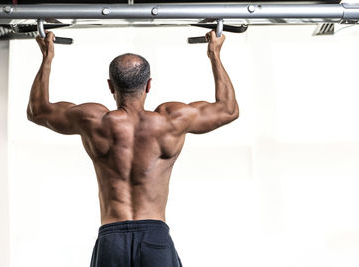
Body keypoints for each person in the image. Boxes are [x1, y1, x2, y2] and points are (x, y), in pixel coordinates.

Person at [27, 30, 239, 267]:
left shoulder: (93, 120)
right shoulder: (172, 120)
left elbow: (38, 111)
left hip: (112, 239)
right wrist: (214, 54)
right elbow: (228, 110)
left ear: (110, 86)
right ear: (149, 85)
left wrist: (47, 55)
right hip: (155, 238)